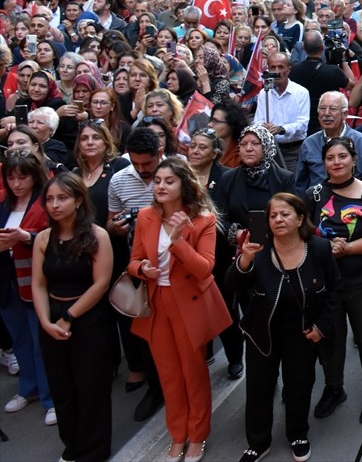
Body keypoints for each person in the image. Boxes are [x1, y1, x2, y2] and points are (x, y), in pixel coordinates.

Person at [127, 156, 232, 462]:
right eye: (157, 181)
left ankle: (197, 435)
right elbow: (132, 261)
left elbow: (205, 269)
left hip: (189, 305)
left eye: (168, 181)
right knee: (168, 374)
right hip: (156, 302)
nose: (160, 186)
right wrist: (141, 268)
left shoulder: (202, 219)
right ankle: (177, 435)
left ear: (184, 184)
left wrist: (177, 242)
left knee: (193, 372)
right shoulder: (146, 216)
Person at [232, 193, 340, 462]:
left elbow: (336, 291)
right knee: (258, 388)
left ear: (300, 218)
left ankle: (298, 434)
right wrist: (243, 261)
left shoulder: (319, 249)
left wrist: (321, 326)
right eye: (272, 215)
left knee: (299, 385)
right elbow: (232, 286)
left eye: (285, 214)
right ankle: (258, 443)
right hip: (262, 332)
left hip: (302, 331)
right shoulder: (256, 249)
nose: (278, 219)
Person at [307, 136, 362, 424]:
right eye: (330, 158)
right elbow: (304, 230)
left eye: (342, 156)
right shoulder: (314, 194)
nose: (336, 162)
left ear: (354, 159)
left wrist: (348, 248)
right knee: (331, 340)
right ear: (324, 163)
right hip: (326, 284)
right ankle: (334, 389)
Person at [30, 172, 114, 462]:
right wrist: (45, 321)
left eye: (62, 198)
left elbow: (100, 283)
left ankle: (93, 451)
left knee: (91, 387)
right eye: (50, 199)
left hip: (88, 320)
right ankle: (72, 446)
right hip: (52, 319)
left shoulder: (97, 235)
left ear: (78, 200)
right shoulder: (43, 238)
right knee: (62, 388)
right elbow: (39, 284)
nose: (54, 205)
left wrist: (68, 317)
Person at [106, 126, 166, 420]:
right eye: (136, 163)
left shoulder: (175, 177)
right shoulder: (118, 180)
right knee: (145, 333)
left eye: (148, 164)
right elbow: (109, 222)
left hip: (172, 268)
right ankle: (155, 388)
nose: (142, 170)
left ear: (161, 154)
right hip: (137, 269)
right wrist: (115, 229)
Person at [0, 151, 55, 425]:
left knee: (40, 342)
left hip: (35, 281)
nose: (16, 184)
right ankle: (28, 388)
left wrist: (26, 237)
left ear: (34, 175)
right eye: (11, 178)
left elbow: (55, 236)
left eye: (22, 177)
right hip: (7, 281)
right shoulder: (3, 203)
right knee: (20, 338)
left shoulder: (46, 201)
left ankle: (50, 397)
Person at [294, 91, 362, 196]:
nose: (327, 113)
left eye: (333, 109)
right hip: (318, 205)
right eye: (322, 108)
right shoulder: (309, 144)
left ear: (345, 114)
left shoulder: (361, 142)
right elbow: (300, 185)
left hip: (353, 204)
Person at [252, 53, 310, 173]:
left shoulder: (301, 92)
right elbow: (257, 121)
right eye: (273, 68)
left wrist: (281, 129)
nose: (277, 71)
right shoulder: (264, 93)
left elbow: (303, 124)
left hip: (293, 151)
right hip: (269, 149)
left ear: (288, 70)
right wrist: (264, 128)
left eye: (281, 67)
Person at [289, 31, 354, 134]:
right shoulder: (332, 71)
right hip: (327, 123)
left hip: (301, 125)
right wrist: (343, 60)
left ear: (303, 48)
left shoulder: (293, 70)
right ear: (322, 48)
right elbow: (352, 85)